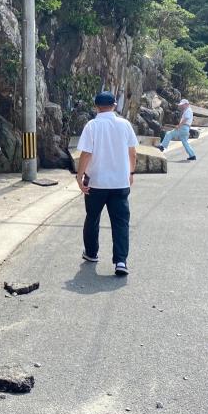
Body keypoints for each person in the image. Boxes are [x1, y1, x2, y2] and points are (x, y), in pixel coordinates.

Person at [75, 92, 138, 276]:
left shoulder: (92, 125)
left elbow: (86, 154)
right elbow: (132, 153)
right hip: (120, 183)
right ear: (115, 105)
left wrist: (79, 176)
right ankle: (120, 261)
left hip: (96, 183)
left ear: (96, 106)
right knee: (121, 223)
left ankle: (91, 253)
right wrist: (131, 173)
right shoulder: (125, 124)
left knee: (92, 218)